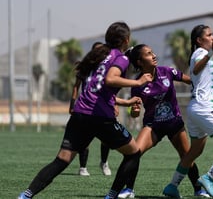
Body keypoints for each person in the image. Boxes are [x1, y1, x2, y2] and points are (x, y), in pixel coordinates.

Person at [18, 21, 153, 199]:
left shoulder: (99, 55)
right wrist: (138, 82)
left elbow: (98, 90)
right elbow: (110, 80)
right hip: (100, 118)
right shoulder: (120, 58)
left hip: (80, 114)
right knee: (134, 153)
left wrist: (124, 103)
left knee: (62, 160)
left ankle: (26, 195)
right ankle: (111, 195)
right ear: (126, 40)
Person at [116, 44, 210, 198]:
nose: (153, 55)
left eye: (153, 52)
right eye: (148, 54)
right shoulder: (137, 84)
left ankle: (198, 190)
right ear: (139, 62)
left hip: (174, 123)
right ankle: (129, 189)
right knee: (135, 153)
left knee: (187, 156)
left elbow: (190, 81)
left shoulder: (167, 71)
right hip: (153, 126)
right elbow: (134, 113)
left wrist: (210, 78)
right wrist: (134, 111)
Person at [162, 24, 213, 199]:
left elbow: (202, 78)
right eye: (209, 34)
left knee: (194, 151)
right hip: (202, 108)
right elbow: (197, 69)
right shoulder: (200, 53)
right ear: (199, 40)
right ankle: (208, 178)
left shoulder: (205, 56)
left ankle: (172, 186)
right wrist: (212, 53)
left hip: (195, 109)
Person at [70, 41, 112, 177]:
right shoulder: (85, 68)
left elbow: (111, 91)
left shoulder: (107, 69)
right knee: (84, 139)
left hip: (104, 109)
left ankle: (104, 162)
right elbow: (76, 86)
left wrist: (115, 106)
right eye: (97, 50)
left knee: (106, 139)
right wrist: (72, 104)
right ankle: (83, 167)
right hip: (87, 108)